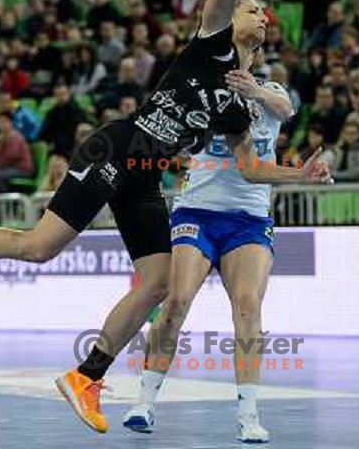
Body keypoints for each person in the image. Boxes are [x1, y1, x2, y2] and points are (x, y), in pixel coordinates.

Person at [0, 0, 331, 437]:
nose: (260, 14)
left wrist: (299, 175)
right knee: (39, 247)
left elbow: (249, 167)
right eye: (252, 7)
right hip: (116, 148)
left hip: (144, 176)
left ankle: (86, 377)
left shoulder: (240, 104)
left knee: (159, 282)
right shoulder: (212, 41)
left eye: (265, 11)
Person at [123, 64, 299, 443]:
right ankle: (144, 402)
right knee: (177, 300)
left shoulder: (271, 90)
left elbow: (286, 110)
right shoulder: (203, 86)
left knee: (249, 304)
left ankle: (248, 414)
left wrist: (255, 92)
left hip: (248, 219)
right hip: (197, 211)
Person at [38, 84, 87, 158]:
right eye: (58, 95)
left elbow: (80, 126)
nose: (61, 97)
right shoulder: (53, 112)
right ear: (55, 97)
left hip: (73, 144)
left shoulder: (76, 109)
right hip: (57, 145)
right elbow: (45, 131)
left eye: (63, 94)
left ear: (68, 94)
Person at [0, 112, 34, 192]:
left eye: (3, 122)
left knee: (0, 176)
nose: (1, 125)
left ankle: (4, 203)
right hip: (8, 168)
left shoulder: (16, 137)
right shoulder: (0, 139)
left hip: (23, 169)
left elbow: (11, 157)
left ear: (11, 123)